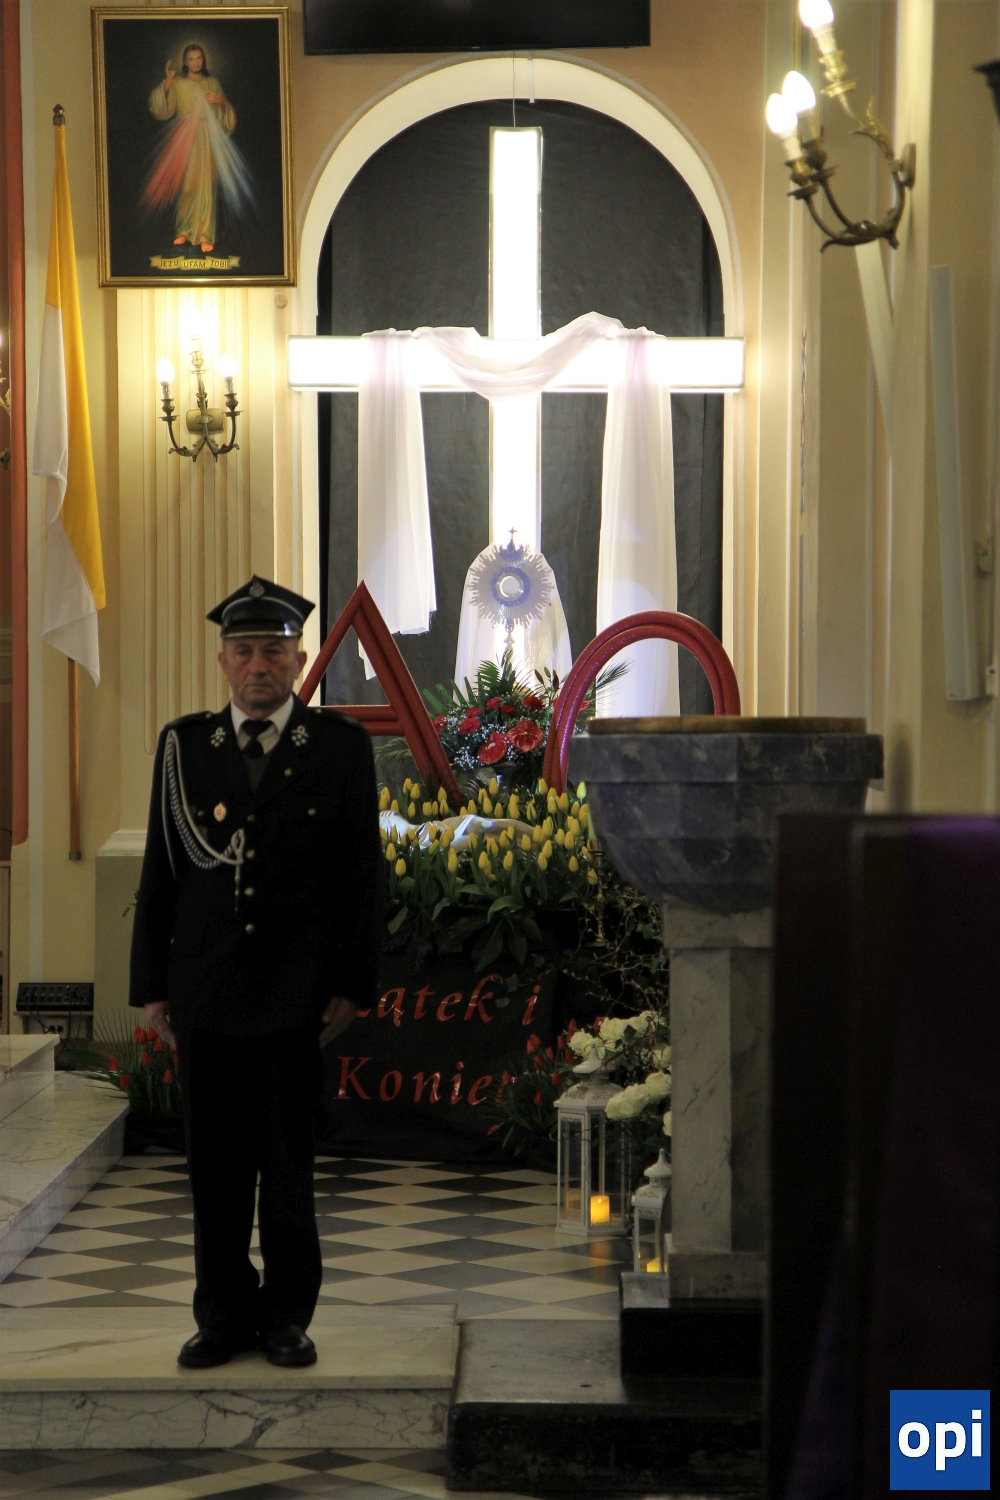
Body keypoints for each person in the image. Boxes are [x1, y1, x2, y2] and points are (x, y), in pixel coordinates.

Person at [129, 576, 384, 1369]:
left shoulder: (339, 748)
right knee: (213, 1169)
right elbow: (161, 874)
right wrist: (152, 988)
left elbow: (362, 877)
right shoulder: (186, 748)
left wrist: (353, 983)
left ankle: (285, 1317)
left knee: (287, 1167)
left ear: (299, 661)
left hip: (293, 994)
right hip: (207, 990)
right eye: (243, 652)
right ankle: (221, 1316)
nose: (258, 666)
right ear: (222, 662)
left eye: (273, 651)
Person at [145, 43, 251, 255]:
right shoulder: (178, 83)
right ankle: (184, 230)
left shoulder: (212, 83)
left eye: (199, 58)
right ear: (185, 62)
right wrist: (168, 81)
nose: (195, 63)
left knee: (206, 187)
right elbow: (160, 109)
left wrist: (219, 101)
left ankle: (204, 235)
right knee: (187, 185)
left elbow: (227, 115)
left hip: (207, 138)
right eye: (191, 59)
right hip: (185, 138)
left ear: (204, 60)